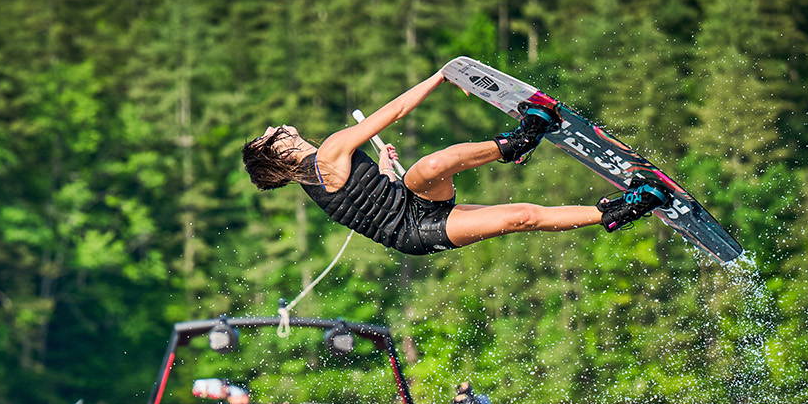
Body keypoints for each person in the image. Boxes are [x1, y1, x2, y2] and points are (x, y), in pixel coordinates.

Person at [240, 70, 670, 256]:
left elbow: (371, 198)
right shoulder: (330, 152)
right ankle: (621, 209)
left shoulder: (322, 171)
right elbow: (395, 111)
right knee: (520, 216)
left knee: (430, 166)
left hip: (409, 197)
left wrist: (387, 169)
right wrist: (442, 76)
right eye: (269, 135)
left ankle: (519, 141)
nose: (276, 126)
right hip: (416, 230)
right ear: (274, 152)